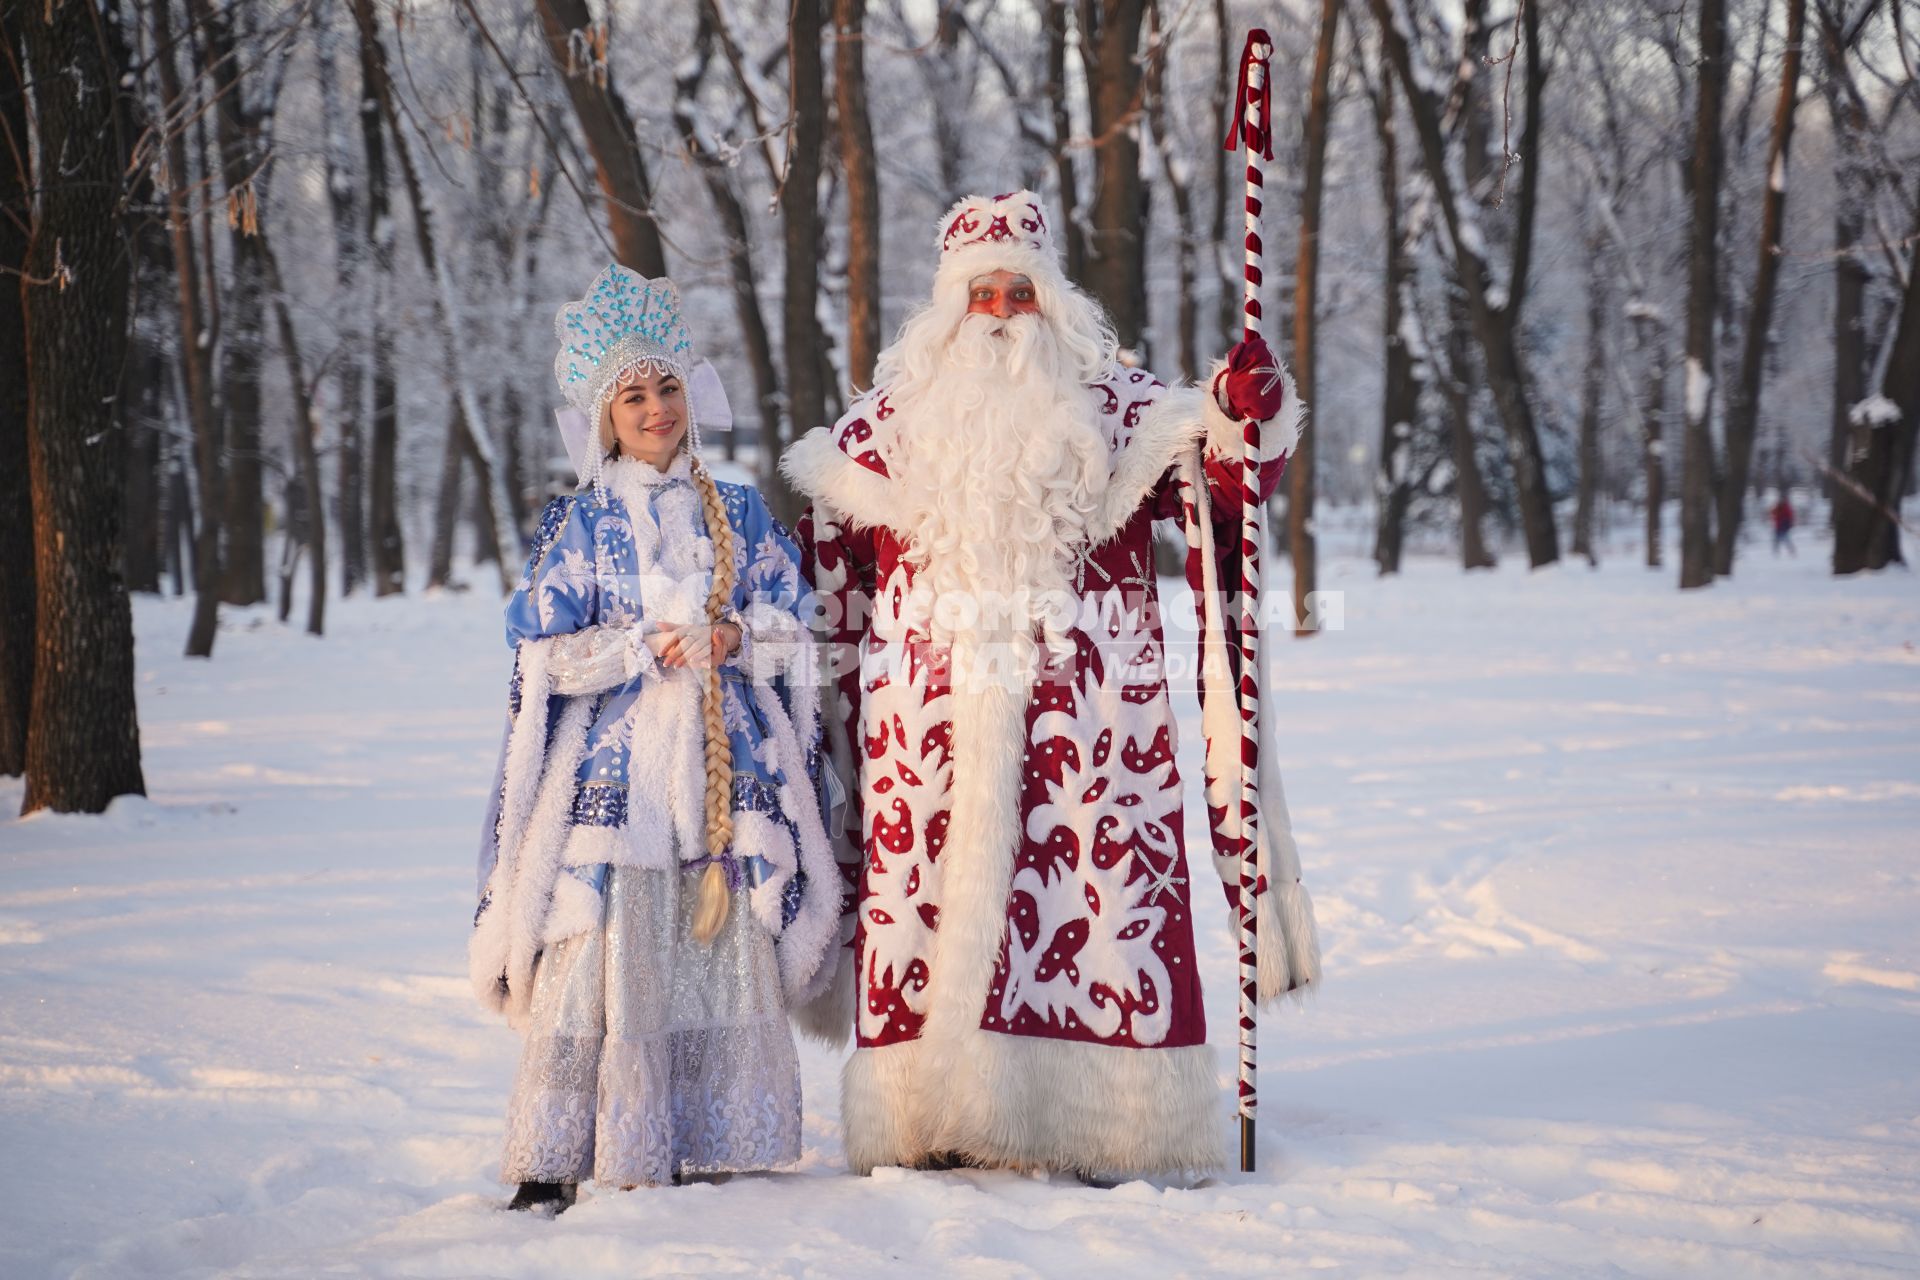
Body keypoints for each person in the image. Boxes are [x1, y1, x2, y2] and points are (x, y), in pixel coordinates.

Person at [782, 191, 1321, 1180]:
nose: (998, 311)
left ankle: (1109, 1123)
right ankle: (929, 1114)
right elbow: (829, 589)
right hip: (926, 729)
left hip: (1091, 720)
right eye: (979, 293)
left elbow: (1227, 479)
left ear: (1051, 299)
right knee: (930, 908)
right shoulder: (884, 429)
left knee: (1095, 897)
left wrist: (1250, 411)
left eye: (1017, 291)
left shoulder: (1117, 408)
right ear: (946, 309)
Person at [471, 265, 840, 1211]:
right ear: (605, 413)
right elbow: (544, 653)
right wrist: (640, 646)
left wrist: (736, 638)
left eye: (667, 386)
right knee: (600, 941)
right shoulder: (582, 522)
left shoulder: (744, 511)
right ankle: (564, 1147)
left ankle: (715, 1130)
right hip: (621, 774)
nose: (655, 407)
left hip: (725, 769)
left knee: (718, 932)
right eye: (633, 395)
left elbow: (799, 629)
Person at [1771, 491, 1796, 556]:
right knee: (1778, 539)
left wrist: (1790, 523)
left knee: (1785, 539)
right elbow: (1773, 512)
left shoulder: (1786, 507)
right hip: (1778, 526)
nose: (1781, 500)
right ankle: (1776, 552)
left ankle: (1791, 551)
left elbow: (1790, 516)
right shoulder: (1778, 506)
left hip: (1783, 526)